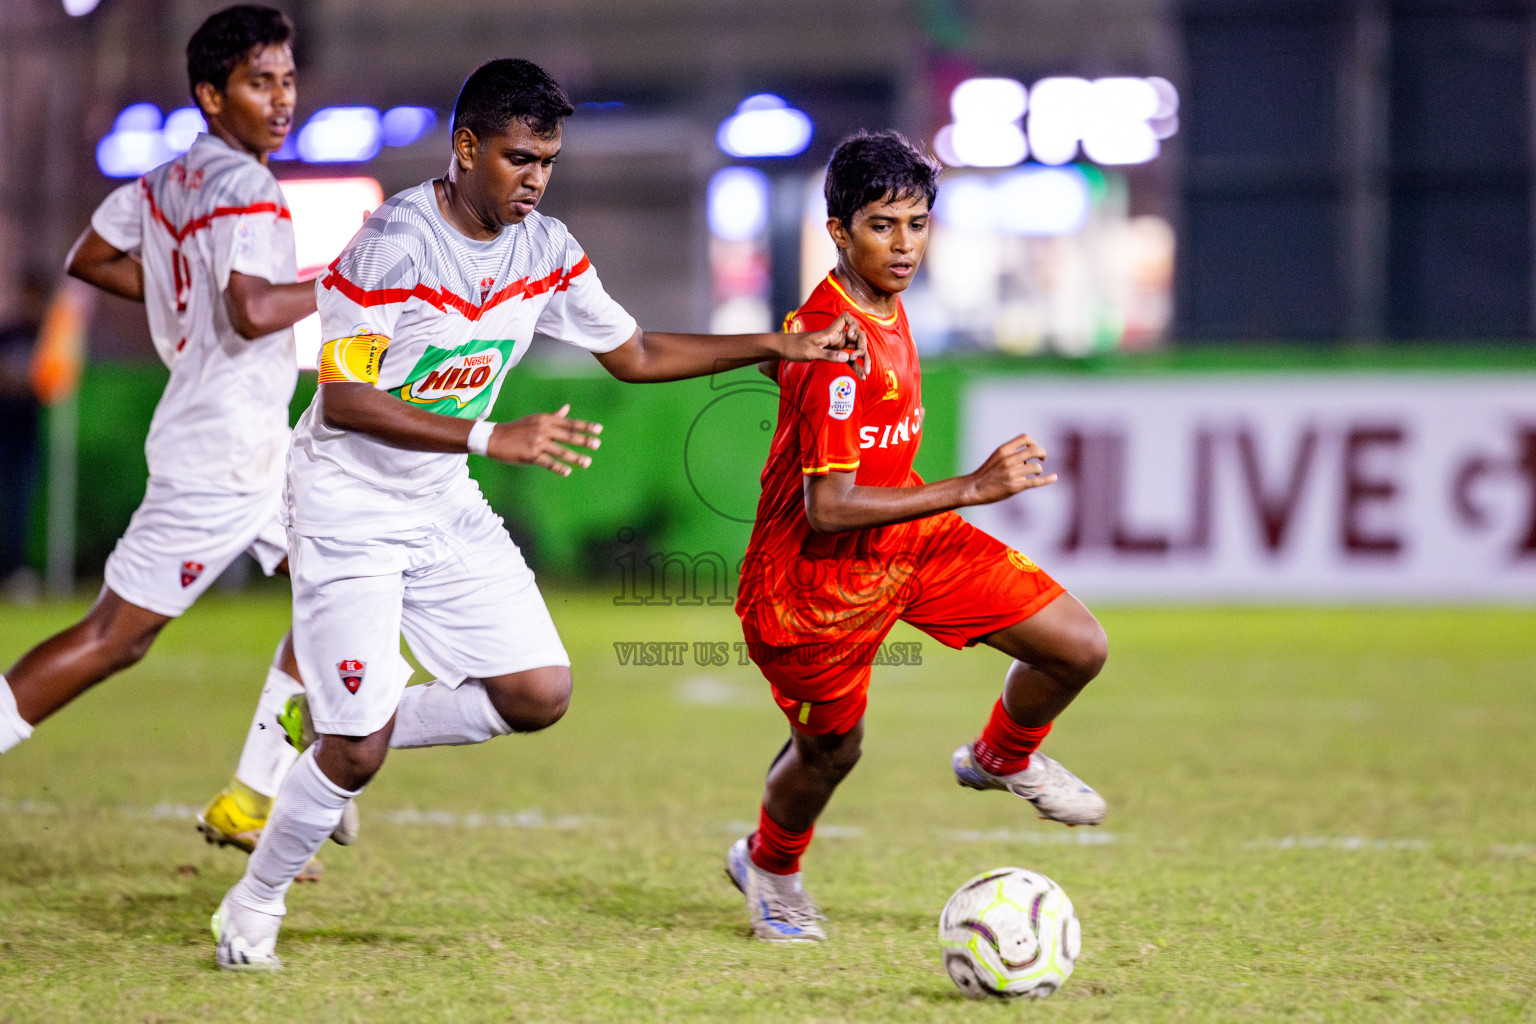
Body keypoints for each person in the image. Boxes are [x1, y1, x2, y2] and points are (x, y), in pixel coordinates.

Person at [209, 56, 866, 971]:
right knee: (356, 757)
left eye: (548, 161)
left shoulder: (547, 247)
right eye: (519, 158)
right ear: (465, 146)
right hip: (348, 502)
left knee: (536, 693)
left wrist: (777, 343)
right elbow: (348, 401)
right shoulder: (390, 244)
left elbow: (633, 353)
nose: (535, 179)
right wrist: (491, 436)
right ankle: (255, 900)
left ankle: (330, 724)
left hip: (437, 501)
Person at [724, 131, 1109, 942]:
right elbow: (826, 508)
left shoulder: (864, 310)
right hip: (811, 586)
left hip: (908, 539)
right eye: (881, 226)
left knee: (1076, 646)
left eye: (917, 224)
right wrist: (973, 487)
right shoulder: (837, 346)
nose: (903, 246)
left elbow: (799, 365)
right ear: (838, 231)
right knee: (832, 751)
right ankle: (769, 864)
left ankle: (1001, 757)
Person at [0, 6, 350, 875]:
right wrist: (350, 285)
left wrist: (173, 295)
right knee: (115, 635)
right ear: (210, 94)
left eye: (287, 79)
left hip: (244, 439)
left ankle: (251, 799)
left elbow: (90, 255)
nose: (279, 100)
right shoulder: (250, 186)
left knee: (341, 580)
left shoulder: (164, 184)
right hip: (222, 450)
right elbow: (253, 306)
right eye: (257, 83)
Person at [0, 269, 48, 597]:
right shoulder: (9, 333)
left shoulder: (48, 337)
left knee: (20, 505)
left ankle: (14, 570)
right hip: (3, 429)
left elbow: (50, 380)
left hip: (27, 434)